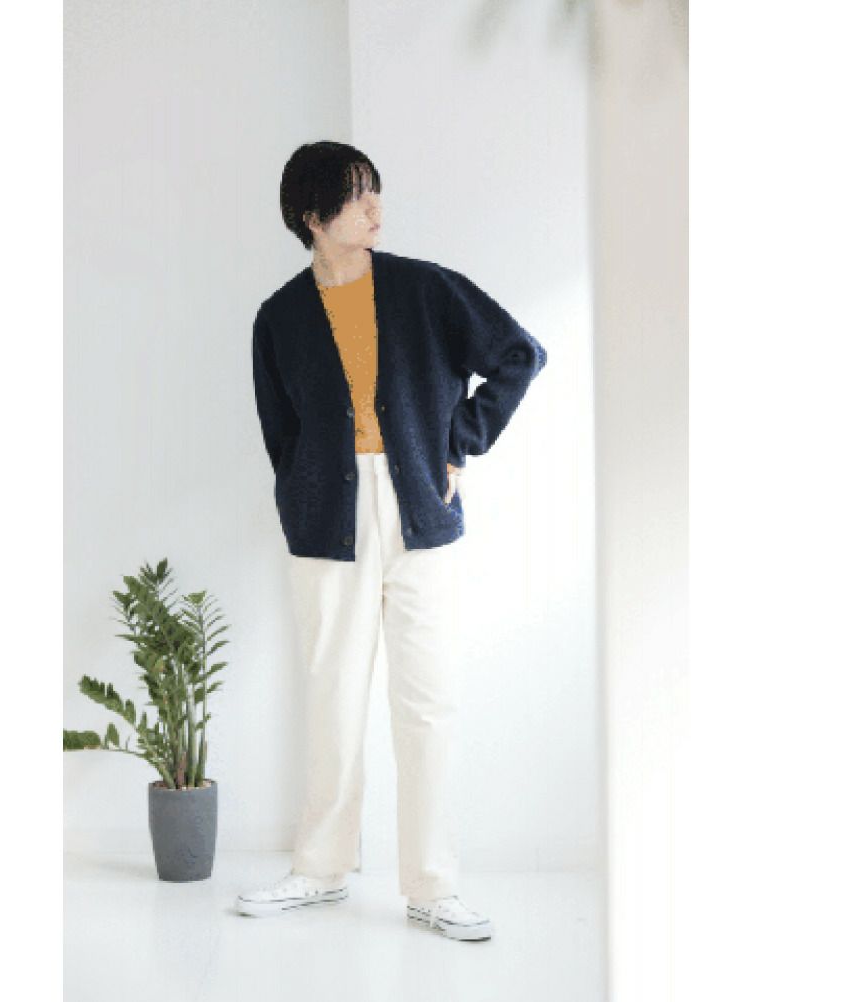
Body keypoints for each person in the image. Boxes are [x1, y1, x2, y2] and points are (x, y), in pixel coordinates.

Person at [237, 141, 546, 941]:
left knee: (427, 701)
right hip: (327, 523)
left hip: (419, 509)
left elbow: (520, 354)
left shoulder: (423, 289)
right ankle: (320, 870)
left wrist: (459, 443)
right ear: (313, 216)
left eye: (376, 191)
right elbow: (281, 433)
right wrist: (302, 498)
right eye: (356, 196)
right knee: (332, 698)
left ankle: (432, 886)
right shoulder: (279, 317)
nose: (375, 208)